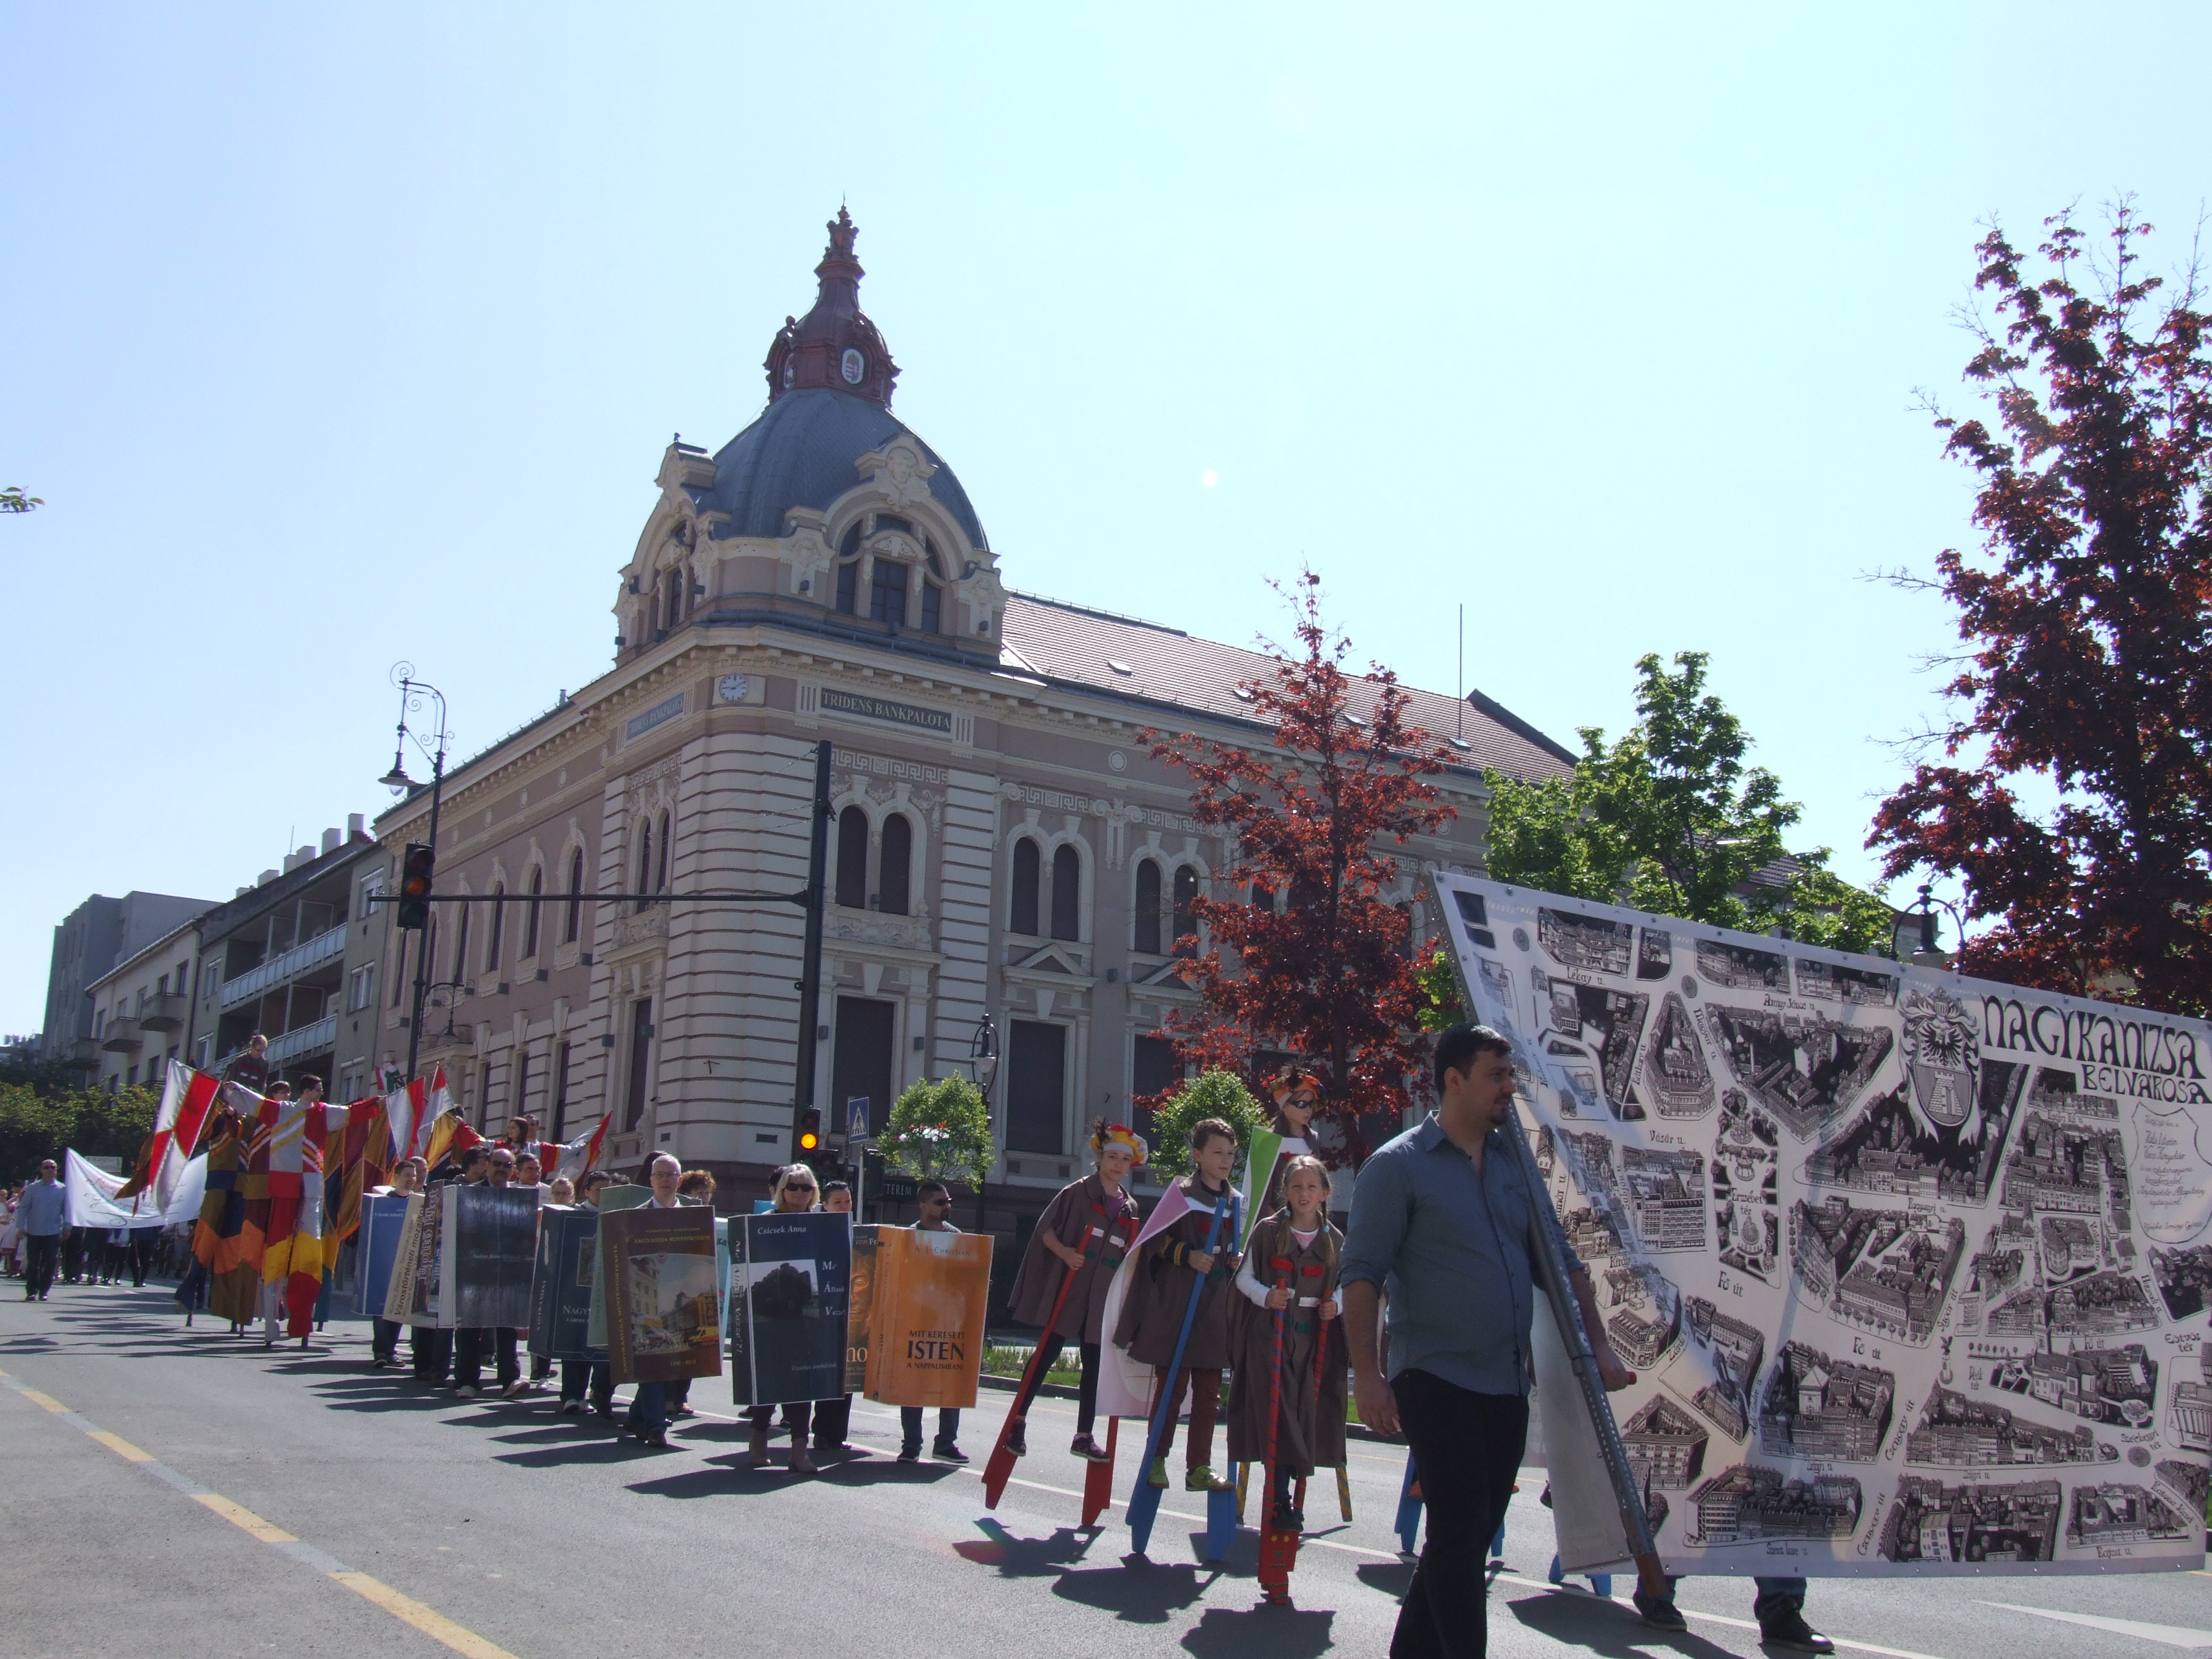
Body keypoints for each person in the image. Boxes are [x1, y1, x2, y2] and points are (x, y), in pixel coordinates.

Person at [1341, 1023, 1635, 1659]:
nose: (1508, 1087)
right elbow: (1361, 1275)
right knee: (1460, 1526)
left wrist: (1601, 1347)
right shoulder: (1397, 1167)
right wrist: (1366, 1373)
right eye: (1495, 1076)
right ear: (1454, 1080)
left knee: (1465, 1535)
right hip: (1433, 1374)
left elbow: (1559, 1263)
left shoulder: (1514, 1164)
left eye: (1510, 1075)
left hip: (1504, 1380)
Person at [1003, 1119, 1145, 1460]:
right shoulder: (1077, 1192)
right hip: (1071, 1289)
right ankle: (1017, 1421)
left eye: (1125, 1160)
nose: (1118, 1165)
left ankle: (1083, 1435)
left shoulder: (1130, 1208)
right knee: (1046, 1352)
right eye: (1112, 1157)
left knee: (1094, 1365)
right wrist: (1066, 1253)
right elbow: (1045, 1230)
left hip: (1102, 1297)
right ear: (1100, 1158)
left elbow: (1130, 1254)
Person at [1115, 1117, 1242, 1492]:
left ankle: (1198, 1466)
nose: (1225, 1160)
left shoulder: (1236, 1202)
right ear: (1198, 1155)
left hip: (1214, 1309)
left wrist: (1235, 1260)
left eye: (1230, 1154)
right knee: (1172, 1388)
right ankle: (1156, 1458)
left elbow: (1236, 1248)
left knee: (1208, 1394)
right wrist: (1187, 1255)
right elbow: (1153, 1241)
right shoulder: (1180, 1195)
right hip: (1178, 1305)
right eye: (1217, 1153)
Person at [1226, 1154, 1344, 1530]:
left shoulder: (1334, 1240)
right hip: (1270, 1335)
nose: (1304, 1193)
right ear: (1285, 1192)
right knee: (1276, 1411)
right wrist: (1266, 1296)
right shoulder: (1268, 1232)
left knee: (1304, 1409)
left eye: (1312, 1187)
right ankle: (1279, 1499)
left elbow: (1347, 1285)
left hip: (1312, 1339)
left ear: (1324, 1193)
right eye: (1296, 1187)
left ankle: (1291, 1489)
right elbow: (1244, 1279)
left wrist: (1336, 1305)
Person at [748, 1163, 821, 1472]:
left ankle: (799, 1451)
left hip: (803, 1317)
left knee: (803, 1383)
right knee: (770, 1379)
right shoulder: (766, 1222)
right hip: (770, 1314)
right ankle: (758, 1439)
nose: (800, 1193)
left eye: (806, 1187)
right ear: (782, 1191)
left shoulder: (822, 1225)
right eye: (793, 1187)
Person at [897, 1180, 969, 1464]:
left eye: (948, 1201)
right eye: (940, 1202)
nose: (947, 1206)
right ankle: (911, 1445)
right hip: (917, 1319)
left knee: (950, 1381)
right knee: (913, 1382)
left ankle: (946, 1443)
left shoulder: (958, 1238)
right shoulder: (909, 1238)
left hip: (949, 1322)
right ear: (923, 1205)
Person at [622, 1153, 687, 1448]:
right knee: (651, 1364)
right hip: (643, 1301)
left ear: (679, 1180)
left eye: (671, 1175)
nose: (665, 1180)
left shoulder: (693, 1219)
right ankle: (655, 1427)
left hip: (675, 1301)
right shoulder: (635, 1217)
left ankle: (637, 1418)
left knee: (665, 1366)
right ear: (650, 1181)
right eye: (659, 1175)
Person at [456, 1148, 524, 1400]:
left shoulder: (520, 1198)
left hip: (508, 1272)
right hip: (474, 1271)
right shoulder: (470, 1194)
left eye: (507, 1166)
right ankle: (467, 1382)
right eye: (497, 1164)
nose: (502, 1169)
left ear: (513, 1170)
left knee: (507, 1329)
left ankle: (510, 1380)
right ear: (487, 1165)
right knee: (471, 1330)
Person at [557, 1169, 615, 1419]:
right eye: (599, 1190)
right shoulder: (575, 1216)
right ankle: (572, 1396)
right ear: (587, 1192)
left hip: (605, 1292)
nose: (604, 1195)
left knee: (604, 1349)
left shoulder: (616, 1215)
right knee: (575, 1345)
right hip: (577, 1291)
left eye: (609, 1191)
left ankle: (600, 1393)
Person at [663, 1168, 717, 1419]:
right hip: (678, 1284)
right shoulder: (677, 1215)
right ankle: (667, 1398)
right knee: (674, 1348)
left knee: (693, 1350)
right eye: (699, 1192)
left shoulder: (711, 1219)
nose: (704, 1197)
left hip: (701, 1286)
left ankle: (681, 1397)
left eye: (707, 1193)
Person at [369, 1158, 424, 1368]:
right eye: (407, 1175)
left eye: (414, 1176)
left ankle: (391, 1351)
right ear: (397, 1177)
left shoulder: (419, 1202)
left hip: (408, 1264)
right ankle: (381, 1351)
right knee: (381, 1309)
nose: (412, 1179)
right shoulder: (383, 1202)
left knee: (399, 1308)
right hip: (384, 1264)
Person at [18, 1159, 65, 1301]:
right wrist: (21, 1227)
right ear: (42, 1170)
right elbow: (24, 1208)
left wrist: (68, 1227)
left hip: (53, 1231)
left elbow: (66, 1210)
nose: (50, 1170)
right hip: (34, 1231)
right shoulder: (33, 1188)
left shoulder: (62, 1189)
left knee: (50, 1262)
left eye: (53, 1167)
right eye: (47, 1167)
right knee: (34, 1263)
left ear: (56, 1170)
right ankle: (32, 1290)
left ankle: (44, 1291)